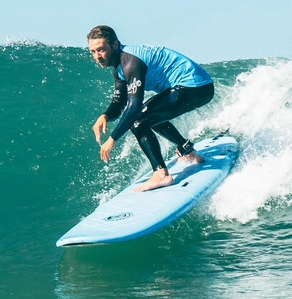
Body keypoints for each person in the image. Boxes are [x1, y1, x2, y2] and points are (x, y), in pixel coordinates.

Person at [87, 25, 215, 192]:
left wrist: (112, 139)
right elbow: (120, 102)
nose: (98, 56)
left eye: (101, 50)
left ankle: (161, 174)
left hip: (194, 86)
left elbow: (134, 107)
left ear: (115, 45)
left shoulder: (131, 63)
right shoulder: (119, 68)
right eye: (93, 52)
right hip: (196, 86)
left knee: (139, 121)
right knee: (150, 115)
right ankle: (187, 152)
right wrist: (105, 115)